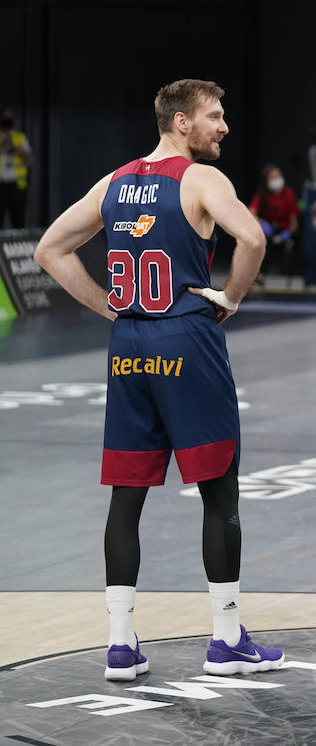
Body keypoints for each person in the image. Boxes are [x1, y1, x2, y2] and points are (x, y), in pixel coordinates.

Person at [33, 79, 283, 681]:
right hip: (185, 337)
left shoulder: (114, 182)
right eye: (214, 117)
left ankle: (121, 644)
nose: (223, 127)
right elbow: (252, 237)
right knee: (218, 487)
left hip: (130, 347)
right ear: (180, 122)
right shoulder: (200, 179)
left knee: (127, 496)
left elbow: (49, 249)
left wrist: (108, 307)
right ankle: (226, 639)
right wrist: (231, 296)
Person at [249, 164, 300, 277]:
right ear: (266, 181)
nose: (277, 180)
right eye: (273, 178)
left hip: (285, 232)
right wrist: (261, 223)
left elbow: (294, 225)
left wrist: (284, 236)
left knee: (275, 245)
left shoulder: (289, 195)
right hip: (268, 231)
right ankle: (256, 274)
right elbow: (251, 213)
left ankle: (265, 273)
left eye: (279, 176)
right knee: (261, 241)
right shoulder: (262, 195)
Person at [0, 107, 33, 228]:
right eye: (5, 117)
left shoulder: (19, 137)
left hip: (17, 187)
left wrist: (13, 146)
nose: (7, 120)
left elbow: (29, 158)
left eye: (10, 118)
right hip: (1, 186)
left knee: (19, 222)